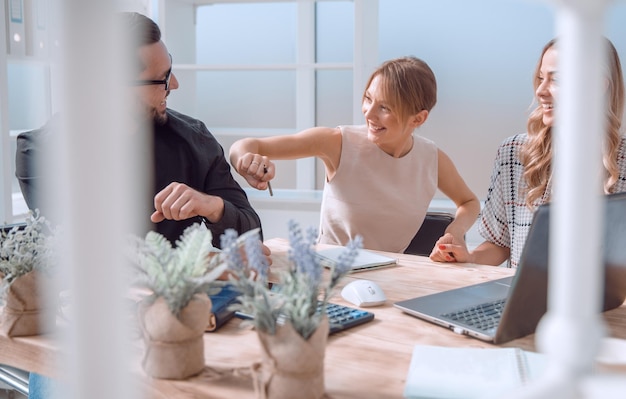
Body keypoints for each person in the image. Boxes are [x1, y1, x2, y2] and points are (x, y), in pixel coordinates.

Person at [16, 12, 264, 249]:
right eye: (163, 78)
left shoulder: (194, 138)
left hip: (181, 291)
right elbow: (75, 257)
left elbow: (252, 234)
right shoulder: (41, 152)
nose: (175, 84)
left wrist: (211, 206)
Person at [229, 56, 480, 254]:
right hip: (329, 279)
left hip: (392, 281)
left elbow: (469, 203)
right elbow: (244, 145)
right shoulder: (336, 142)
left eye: (384, 107)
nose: (369, 114)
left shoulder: (432, 160)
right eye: (368, 99)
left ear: (418, 118)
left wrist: (455, 231)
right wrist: (247, 162)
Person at [432, 37, 626, 267]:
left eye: (556, 80)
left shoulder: (621, 160)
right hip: (523, 301)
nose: (541, 91)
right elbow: (499, 244)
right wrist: (469, 258)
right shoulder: (513, 153)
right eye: (540, 78)